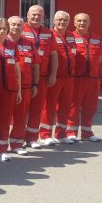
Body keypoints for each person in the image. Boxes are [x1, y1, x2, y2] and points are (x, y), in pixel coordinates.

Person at [22, 5, 58, 146]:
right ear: (27, 15)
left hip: (42, 77)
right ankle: (18, 138)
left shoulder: (48, 33)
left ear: (43, 17)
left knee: (37, 108)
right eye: (34, 14)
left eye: (39, 15)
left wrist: (53, 74)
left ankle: (31, 138)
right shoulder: (20, 29)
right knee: (21, 109)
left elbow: (53, 55)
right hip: (24, 77)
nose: (36, 17)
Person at [40, 11, 77, 144]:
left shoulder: (71, 35)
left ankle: (61, 134)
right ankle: (45, 135)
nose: (62, 22)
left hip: (69, 77)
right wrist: (52, 75)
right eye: (60, 19)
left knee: (65, 107)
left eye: (65, 20)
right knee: (49, 106)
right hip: (55, 76)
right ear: (54, 21)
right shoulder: (49, 35)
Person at [0, 18, 21, 162]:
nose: (2, 31)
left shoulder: (13, 46)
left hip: (10, 89)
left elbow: (17, 69)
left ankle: (2, 148)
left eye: (4, 29)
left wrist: (19, 90)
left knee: (6, 119)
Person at [8, 16, 40, 156]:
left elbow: (35, 66)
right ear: (8, 26)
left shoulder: (29, 44)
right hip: (5, 88)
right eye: (13, 24)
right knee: (1, 118)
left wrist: (35, 84)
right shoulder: (0, 42)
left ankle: (16, 144)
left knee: (20, 118)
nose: (16, 27)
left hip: (26, 87)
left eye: (19, 25)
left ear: (23, 27)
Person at [69, 13, 102, 142]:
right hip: (77, 78)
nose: (82, 23)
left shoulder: (96, 38)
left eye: (85, 21)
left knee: (90, 106)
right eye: (79, 21)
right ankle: (71, 132)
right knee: (73, 105)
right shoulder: (70, 37)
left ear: (89, 23)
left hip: (93, 78)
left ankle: (87, 133)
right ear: (74, 23)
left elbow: (99, 57)